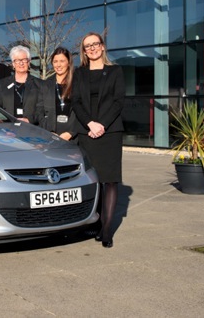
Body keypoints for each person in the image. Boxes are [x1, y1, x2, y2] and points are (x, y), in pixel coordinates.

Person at [71, 32, 125, 248]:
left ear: (102, 47)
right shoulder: (79, 73)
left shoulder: (115, 71)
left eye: (95, 44)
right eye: (87, 46)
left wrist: (101, 124)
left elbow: (118, 101)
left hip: (109, 132)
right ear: (84, 52)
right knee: (92, 181)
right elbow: (76, 102)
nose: (92, 48)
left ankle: (107, 229)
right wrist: (90, 124)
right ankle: (93, 222)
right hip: (87, 133)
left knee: (109, 181)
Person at [0, 45, 47, 126]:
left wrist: (29, 120)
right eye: (17, 60)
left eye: (24, 60)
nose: (21, 63)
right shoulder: (3, 84)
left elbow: (42, 110)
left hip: (31, 129)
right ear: (13, 64)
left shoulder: (39, 84)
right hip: (9, 130)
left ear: (28, 62)